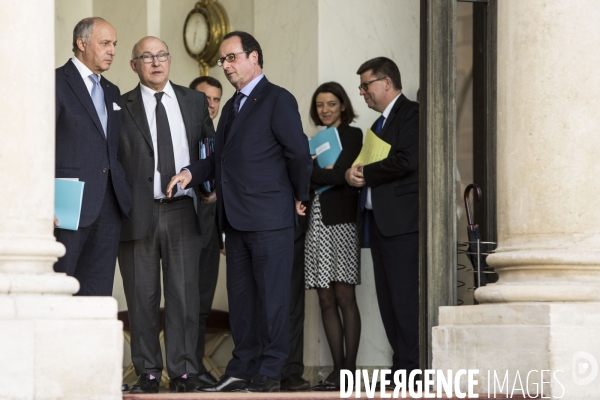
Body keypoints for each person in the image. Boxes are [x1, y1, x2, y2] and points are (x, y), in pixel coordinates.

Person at [166, 31, 312, 393]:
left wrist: (300, 196)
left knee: (273, 301)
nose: (227, 66)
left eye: (232, 58)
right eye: (223, 61)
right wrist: (190, 173)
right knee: (242, 302)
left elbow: (298, 153)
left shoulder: (278, 99)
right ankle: (241, 368)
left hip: (271, 218)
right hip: (234, 221)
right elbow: (218, 160)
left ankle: (271, 370)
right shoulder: (231, 106)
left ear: (254, 57)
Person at [117, 36, 215, 394]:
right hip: (136, 214)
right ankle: (148, 373)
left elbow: (210, 152)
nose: (156, 62)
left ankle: (185, 371)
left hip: (181, 211)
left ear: (170, 60)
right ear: (134, 65)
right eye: (146, 57)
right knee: (140, 297)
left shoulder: (194, 101)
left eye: (161, 55)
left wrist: (200, 178)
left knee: (184, 294)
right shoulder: (120, 103)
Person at [345, 57, 420, 380]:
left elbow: (408, 159)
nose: (362, 92)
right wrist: (352, 175)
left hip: (403, 224)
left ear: (386, 83)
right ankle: (401, 366)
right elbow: (368, 166)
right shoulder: (376, 126)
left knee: (404, 300)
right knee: (388, 302)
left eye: (366, 85)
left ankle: (415, 367)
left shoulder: (412, 113)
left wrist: (367, 172)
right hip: (379, 224)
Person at [54, 17, 132, 296]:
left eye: (114, 44)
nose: (112, 50)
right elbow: (40, 146)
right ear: (81, 43)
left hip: (108, 207)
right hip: (66, 208)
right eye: (105, 43)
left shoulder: (112, 91)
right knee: (58, 291)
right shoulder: (54, 82)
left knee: (97, 296)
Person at [304, 82, 363, 391]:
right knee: (324, 297)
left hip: (342, 221)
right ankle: (338, 371)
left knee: (344, 296)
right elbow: (307, 177)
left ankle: (351, 370)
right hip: (316, 220)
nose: (324, 110)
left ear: (342, 105)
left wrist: (321, 173)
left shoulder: (353, 135)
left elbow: (344, 174)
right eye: (319, 105)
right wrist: (326, 173)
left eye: (330, 104)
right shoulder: (313, 142)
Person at [189, 75, 223, 386]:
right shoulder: (180, 129)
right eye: (205, 99)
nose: (211, 106)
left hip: (212, 230)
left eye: (215, 100)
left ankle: (196, 367)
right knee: (183, 303)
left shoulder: (222, 132)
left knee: (201, 304)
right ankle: (183, 368)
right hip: (183, 227)